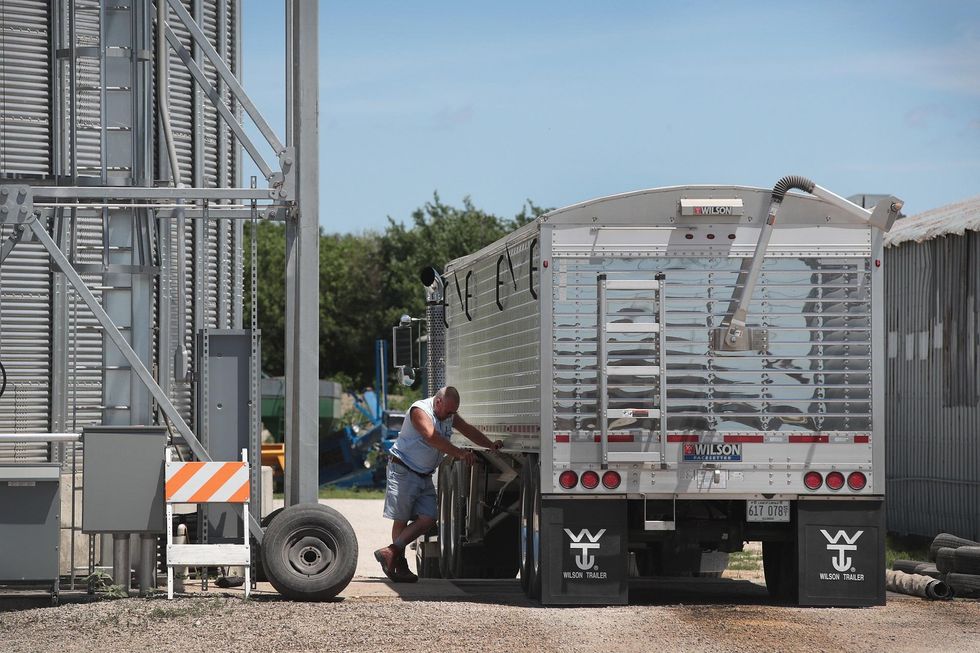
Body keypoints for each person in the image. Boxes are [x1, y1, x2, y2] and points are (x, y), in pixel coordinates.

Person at [374, 386, 503, 582]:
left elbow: (467, 429)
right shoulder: (419, 411)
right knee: (401, 519)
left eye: (454, 412)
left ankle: (391, 552)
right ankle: (398, 564)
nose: (451, 416)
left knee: (428, 518)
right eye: (449, 411)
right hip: (404, 470)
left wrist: (489, 444)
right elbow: (431, 436)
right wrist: (459, 453)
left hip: (423, 474)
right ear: (438, 401)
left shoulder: (449, 414)